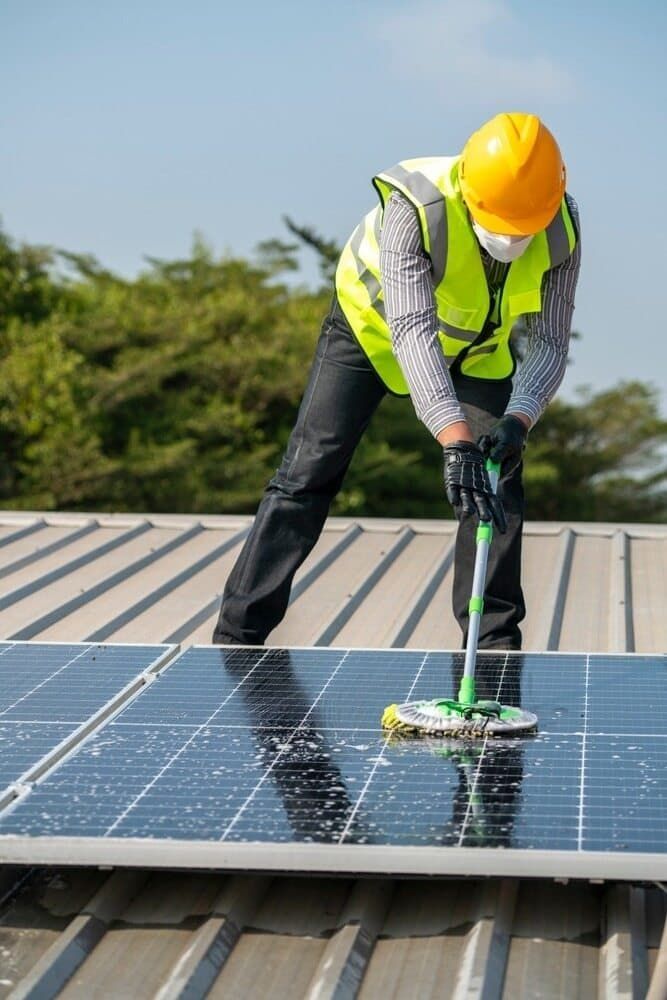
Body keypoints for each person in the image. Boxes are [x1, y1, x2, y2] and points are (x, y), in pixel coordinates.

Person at [213, 112, 581, 651]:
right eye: (498, 224)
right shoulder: (416, 204)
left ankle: (494, 649)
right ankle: (237, 638)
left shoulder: (561, 225)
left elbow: (549, 343)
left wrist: (519, 419)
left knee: (498, 480)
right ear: (470, 192)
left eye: (521, 228)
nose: (510, 238)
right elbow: (413, 330)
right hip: (373, 331)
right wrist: (456, 443)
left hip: (478, 351)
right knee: (307, 473)